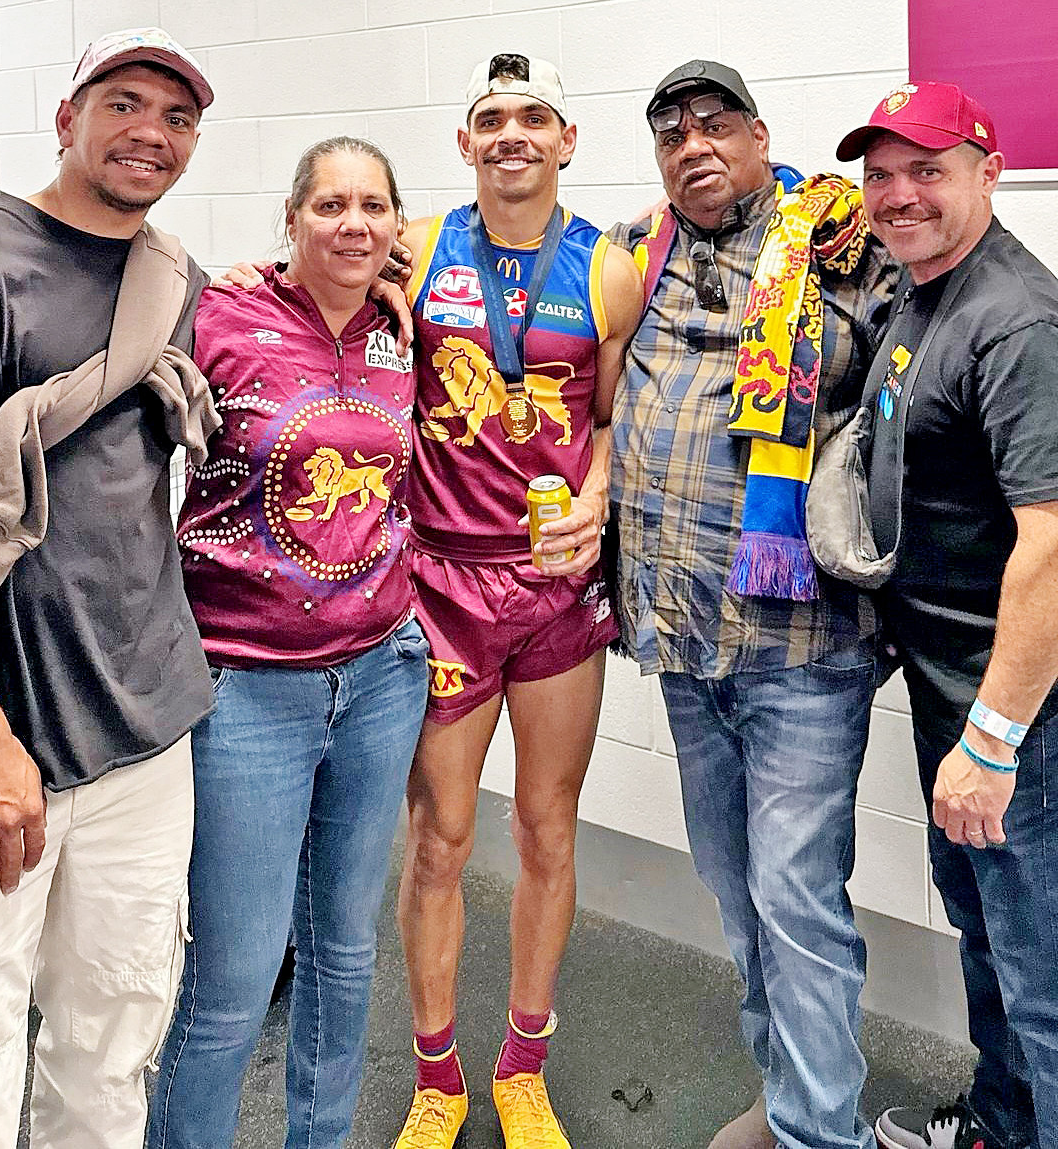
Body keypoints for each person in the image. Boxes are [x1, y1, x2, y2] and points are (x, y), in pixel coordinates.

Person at [609, 61, 898, 1149]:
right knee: (742, 909)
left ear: (761, 133)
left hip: (803, 650)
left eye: (715, 123)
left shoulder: (838, 245)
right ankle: (793, 1106)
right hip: (686, 645)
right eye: (672, 132)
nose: (695, 145)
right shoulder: (644, 253)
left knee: (800, 910)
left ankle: (823, 1132)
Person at [146, 137, 429, 1149]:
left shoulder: (408, 329)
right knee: (231, 981)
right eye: (330, 206)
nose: (353, 224)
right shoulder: (218, 315)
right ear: (292, 218)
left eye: (373, 206)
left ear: (399, 225)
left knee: (347, 957)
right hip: (247, 689)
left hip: (382, 680)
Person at [393, 53, 642, 1149]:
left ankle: (522, 1067)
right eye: (490, 119)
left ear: (567, 141)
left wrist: (595, 501)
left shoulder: (611, 268)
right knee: (441, 841)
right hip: (442, 580)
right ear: (464, 144)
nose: (511, 135)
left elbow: (614, 419)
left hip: (554, 589)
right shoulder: (414, 246)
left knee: (547, 828)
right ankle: (437, 1075)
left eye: (533, 118)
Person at [0, 27, 216, 1149]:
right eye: (123, 104)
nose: (149, 134)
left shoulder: (172, 280)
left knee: (111, 1051)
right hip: (1, 736)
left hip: (144, 730)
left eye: (175, 118)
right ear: (65, 117)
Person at [835, 82, 1058, 1149]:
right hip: (950, 694)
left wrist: (997, 738)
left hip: (1017, 717)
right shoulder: (925, 290)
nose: (898, 193)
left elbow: (1053, 546)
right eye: (880, 174)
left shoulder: (1016, 319)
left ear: (987, 170)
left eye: (927, 169)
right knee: (988, 939)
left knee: (1043, 971)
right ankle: (1002, 1129)